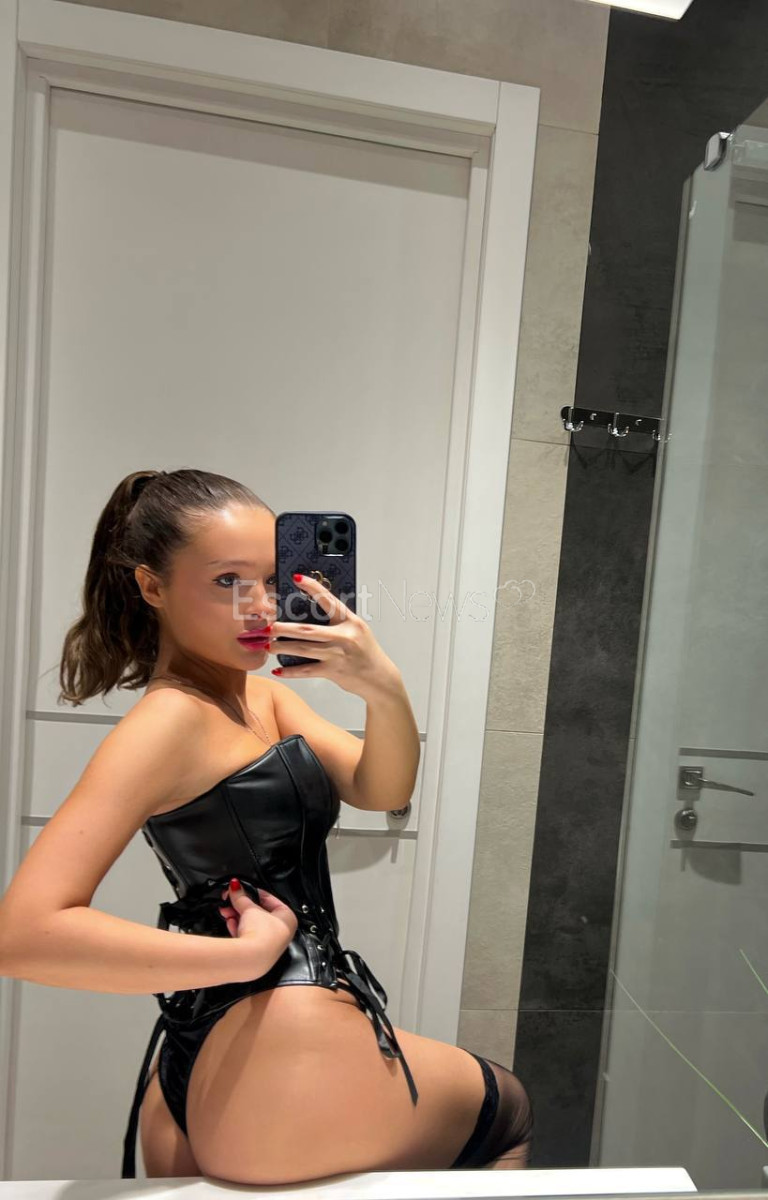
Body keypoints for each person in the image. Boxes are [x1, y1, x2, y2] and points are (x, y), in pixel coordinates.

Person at [0, 468, 533, 1183]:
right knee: (508, 1112)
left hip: (206, 1053)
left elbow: (381, 786)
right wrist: (242, 958)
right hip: (280, 1033)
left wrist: (382, 687)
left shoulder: (261, 699)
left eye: (273, 578)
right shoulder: (169, 720)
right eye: (227, 581)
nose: (260, 605)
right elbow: (24, 936)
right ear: (152, 587)